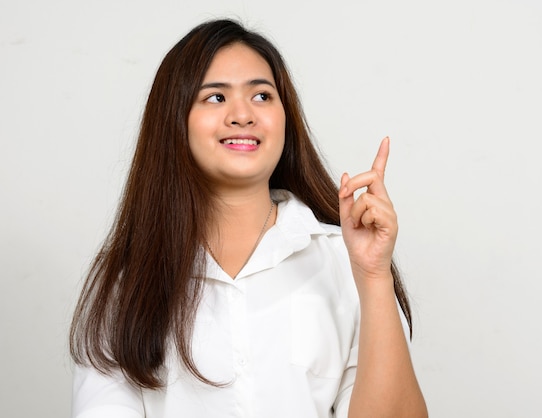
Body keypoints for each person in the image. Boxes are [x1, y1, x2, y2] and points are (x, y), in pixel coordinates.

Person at [69, 19, 427, 418]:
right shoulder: (127, 281)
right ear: (175, 120)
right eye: (216, 98)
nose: (243, 115)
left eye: (261, 95)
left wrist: (375, 276)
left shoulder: (345, 262)